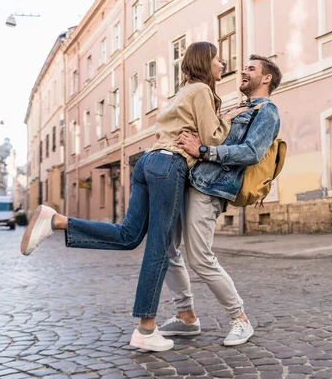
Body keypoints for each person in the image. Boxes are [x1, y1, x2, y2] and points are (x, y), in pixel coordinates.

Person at [20, 41, 231, 352]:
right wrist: (227, 120)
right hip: (170, 165)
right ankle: (146, 328)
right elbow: (213, 138)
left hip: (148, 161)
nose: (222, 63)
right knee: (158, 248)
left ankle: (56, 220)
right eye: (216, 58)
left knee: (129, 235)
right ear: (204, 62)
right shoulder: (201, 91)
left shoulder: (183, 92)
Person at [159, 55, 282, 346]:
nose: (244, 71)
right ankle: (186, 316)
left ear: (266, 79)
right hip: (188, 179)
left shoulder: (268, 112)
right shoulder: (235, 108)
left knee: (200, 258)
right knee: (165, 249)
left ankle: (240, 318)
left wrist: (204, 151)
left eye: (251, 69)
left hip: (211, 188)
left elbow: (251, 152)